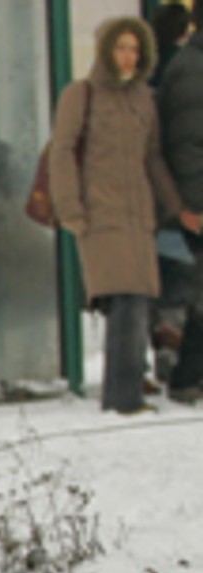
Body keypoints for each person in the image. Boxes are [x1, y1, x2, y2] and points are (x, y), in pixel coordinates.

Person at [50, 15, 197, 415]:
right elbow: (62, 152)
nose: (128, 56)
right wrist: (71, 210)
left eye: (135, 49)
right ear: (105, 50)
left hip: (138, 217)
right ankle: (122, 398)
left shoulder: (143, 100)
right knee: (126, 303)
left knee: (136, 304)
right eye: (121, 47)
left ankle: (126, 391)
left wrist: (177, 207)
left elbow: (152, 159)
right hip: (99, 215)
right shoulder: (81, 95)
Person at [157, 4, 203, 401]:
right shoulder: (192, 70)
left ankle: (189, 377)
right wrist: (193, 207)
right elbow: (186, 146)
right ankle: (187, 378)